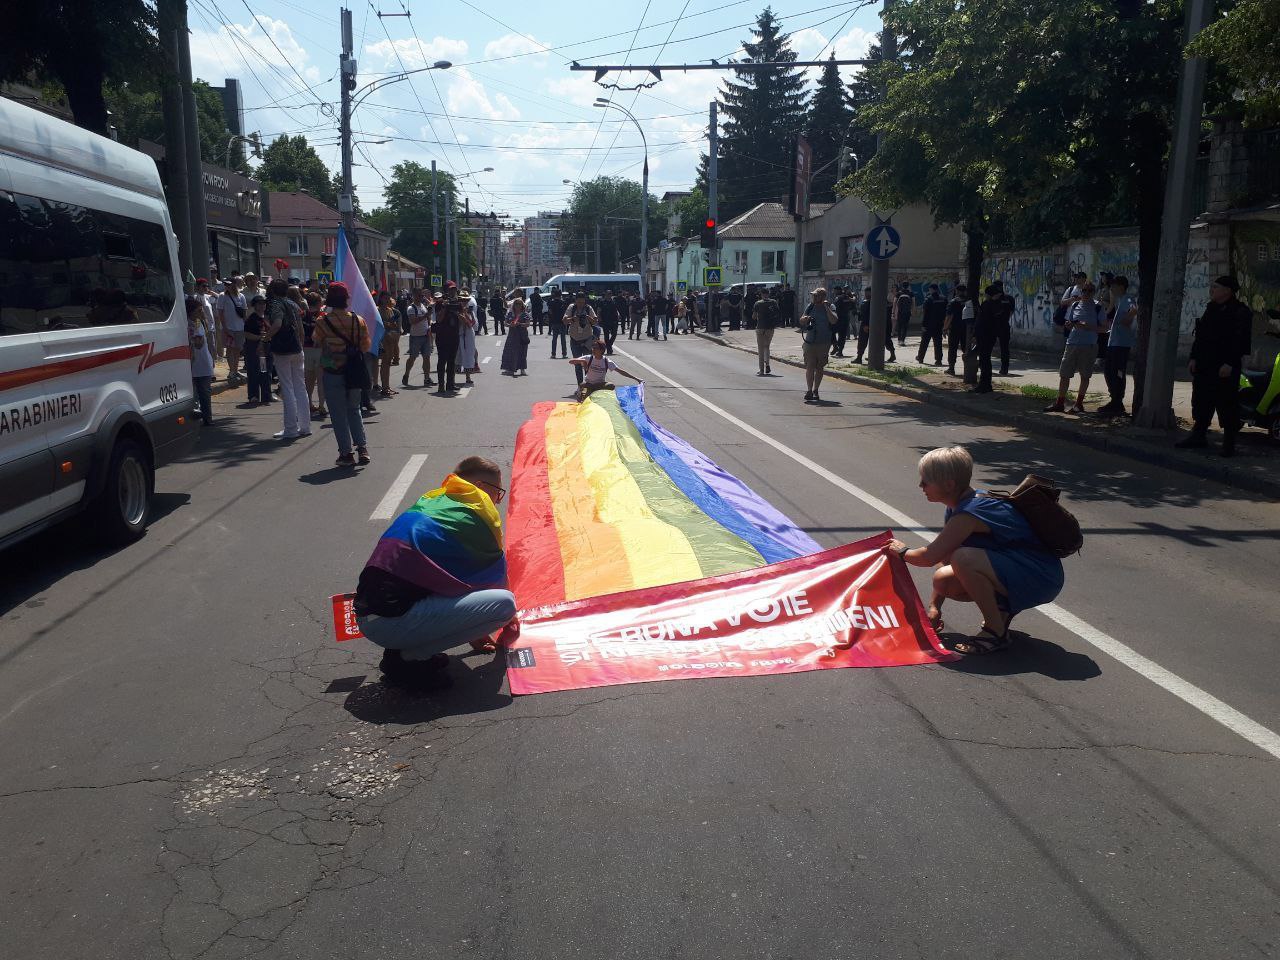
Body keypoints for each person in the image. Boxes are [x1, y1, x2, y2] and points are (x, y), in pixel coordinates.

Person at [355, 456, 517, 692]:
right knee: (505, 605)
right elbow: (498, 582)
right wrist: (493, 621)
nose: (497, 502)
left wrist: (469, 620)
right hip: (388, 621)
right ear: (481, 487)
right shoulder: (476, 513)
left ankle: (405, 648)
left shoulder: (435, 501)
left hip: (372, 612)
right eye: (498, 493)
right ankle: (408, 658)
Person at [883, 445, 1064, 656]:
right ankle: (1002, 612)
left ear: (949, 485)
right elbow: (944, 558)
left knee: (964, 559)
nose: (920, 485)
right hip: (1026, 571)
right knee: (945, 579)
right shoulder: (959, 506)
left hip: (1041, 578)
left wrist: (903, 551)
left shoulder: (969, 513)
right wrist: (934, 607)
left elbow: (929, 557)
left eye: (926, 481)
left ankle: (996, 632)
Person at [1175, 275, 1254, 456]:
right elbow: (1200, 335)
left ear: (1227, 290)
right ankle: (1199, 435)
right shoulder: (1211, 308)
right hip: (1205, 364)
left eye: (1216, 287)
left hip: (1224, 367)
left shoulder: (1239, 311)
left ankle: (1228, 443)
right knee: (1202, 400)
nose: (1212, 290)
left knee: (1226, 403)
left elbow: (1240, 341)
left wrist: (1230, 363)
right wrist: (1193, 358)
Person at [313, 282, 372, 467]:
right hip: (354, 371)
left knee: (338, 414)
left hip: (333, 372)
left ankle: (346, 453)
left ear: (329, 300)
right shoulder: (358, 320)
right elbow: (365, 346)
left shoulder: (322, 322)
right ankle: (362, 449)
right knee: (354, 409)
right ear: (346, 299)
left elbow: (316, 343)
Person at [1044, 280, 1105, 414]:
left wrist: (1088, 327)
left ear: (1094, 292)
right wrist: (1069, 324)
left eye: (1090, 291)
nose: (1087, 293)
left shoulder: (1098, 307)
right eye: (1085, 290)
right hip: (1072, 343)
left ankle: (1079, 404)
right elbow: (1070, 322)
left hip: (1088, 345)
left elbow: (1105, 328)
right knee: (1064, 374)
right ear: (1081, 291)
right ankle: (1060, 402)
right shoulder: (1076, 304)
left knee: (1085, 375)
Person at [266, 278, 310, 439]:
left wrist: (265, 338)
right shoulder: (293, 304)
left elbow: (277, 324)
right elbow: (300, 329)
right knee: (300, 387)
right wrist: (300, 345)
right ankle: (305, 426)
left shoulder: (275, 304)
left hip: (283, 350)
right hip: (297, 348)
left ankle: (291, 429)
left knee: (287, 387)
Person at [1098, 275, 1137, 416]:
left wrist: (1126, 320)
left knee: (1117, 372)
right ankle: (1115, 399)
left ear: (1121, 286)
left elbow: (1133, 312)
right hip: (1115, 342)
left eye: (1113, 286)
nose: (1111, 288)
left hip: (1121, 344)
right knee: (1109, 371)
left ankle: (1117, 401)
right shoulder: (1120, 300)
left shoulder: (1127, 299)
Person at [972, 282, 1014, 393]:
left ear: (989, 294)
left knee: (984, 360)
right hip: (993, 334)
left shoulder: (988, 304)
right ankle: (987, 384)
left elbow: (981, 321)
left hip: (985, 335)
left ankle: (984, 385)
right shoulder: (1002, 303)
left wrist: (975, 335)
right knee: (987, 359)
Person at [570, 339, 644, 401]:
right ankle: (581, 392)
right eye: (593, 347)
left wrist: (637, 379)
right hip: (589, 384)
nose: (593, 349)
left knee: (611, 385)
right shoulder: (588, 358)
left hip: (600, 385)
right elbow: (571, 361)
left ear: (602, 350)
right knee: (584, 400)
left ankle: (606, 399)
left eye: (596, 348)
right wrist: (582, 361)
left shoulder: (606, 361)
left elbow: (621, 371)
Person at [799, 287, 836, 403]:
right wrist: (805, 319)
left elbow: (834, 320)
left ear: (823, 297)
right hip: (810, 341)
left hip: (824, 342)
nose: (814, 298)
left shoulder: (830, 306)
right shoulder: (810, 306)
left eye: (816, 296)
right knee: (809, 366)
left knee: (819, 367)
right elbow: (801, 320)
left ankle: (816, 389)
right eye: (813, 296)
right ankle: (809, 390)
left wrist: (826, 308)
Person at [187, 296, 215, 426]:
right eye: (199, 310)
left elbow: (202, 343)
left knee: (205, 393)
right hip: (192, 364)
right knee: (194, 394)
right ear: (191, 312)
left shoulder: (199, 323)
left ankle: (207, 418)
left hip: (204, 363)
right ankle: (195, 422)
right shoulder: (187, 325)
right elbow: (198, 344)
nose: (202, 312)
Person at [401, 288, 435, 388]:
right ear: (414, 296)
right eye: (419, 296)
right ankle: (406, 374)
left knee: (427, 357)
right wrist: (426, 315)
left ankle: (427, 378)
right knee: (412, 357)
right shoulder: (411, 308)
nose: (421, 297)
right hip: (416, 337)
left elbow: (427, 318)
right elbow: (413, 321)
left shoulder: (423, 306)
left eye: (422, 296)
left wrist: (429, 323)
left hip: (425, 335)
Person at [432, 282, 463, 393]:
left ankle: (450, 384)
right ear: (446, 290)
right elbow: (439, 319)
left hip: (454, 335)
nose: (453, 291)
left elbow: (461, 317)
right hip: (442, 336)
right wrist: (445, 306)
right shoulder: (440, 303)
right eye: (451, 289)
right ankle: (441, 385)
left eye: (454, 289)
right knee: (442, 360)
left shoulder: (457, 302)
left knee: (452, 361)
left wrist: (461, 309)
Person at [566, 292, 601, 387]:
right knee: (577, 364)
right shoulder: (571, 308)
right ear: (575, 301)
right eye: (578, 302)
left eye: (582, 302)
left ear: (585, 301)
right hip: (575, 339)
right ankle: (580, 386)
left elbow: (595, 321)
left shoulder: (588, 308)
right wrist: (574, 319)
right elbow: (564, 320)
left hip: (587, 339)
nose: (580, 304)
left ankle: (588, 384)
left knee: (588, 363)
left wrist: (587, 317)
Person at [302, 291, 327, 420]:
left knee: (309, 379)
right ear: (318, 303)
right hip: (320, 349)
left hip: (306, 349)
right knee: (321, 379)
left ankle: (309, 403)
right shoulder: (323, 316)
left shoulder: (302, 315)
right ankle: (322, 405)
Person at [243, 294, 273, 405]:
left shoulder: (267, 317)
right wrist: (260, 337)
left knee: (265, 372)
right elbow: (246, 334)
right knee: (254, 372)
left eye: (264, 303)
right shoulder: (251, 319)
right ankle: (253, 395)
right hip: (254, 348)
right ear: (255, 305)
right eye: (259, 303)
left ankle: (267, 395)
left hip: (266, 348)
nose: (262, 305)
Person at [853, 286, 896, 363]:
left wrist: (866, 324)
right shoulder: (869, 301)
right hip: (871, 324)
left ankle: (891, 354)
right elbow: (863, 314)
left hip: (873, 324)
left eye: (867, 293)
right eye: (866, 293)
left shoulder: (875, 302)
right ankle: (861, 357)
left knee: (881, 340)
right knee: (865, 341)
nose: (866, 294)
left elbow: (871, 314)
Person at [216, 276, 247, 382]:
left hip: (239, 327)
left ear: (234, 284)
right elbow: (220, 313)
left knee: (237, 349)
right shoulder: (222, 296)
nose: (227, 286)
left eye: (229, 284)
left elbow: (244, 312)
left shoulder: (241, 296)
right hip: (228, 327)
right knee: (230, 349)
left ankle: (235, 370)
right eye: (226, 284)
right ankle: (232, 371)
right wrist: (225, 328)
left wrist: (245, 325)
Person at [375, 290, 402, 400]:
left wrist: (391, 325)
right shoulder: (377, 310)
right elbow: (378, 324)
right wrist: (387, 324)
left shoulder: (390, 310)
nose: (387, 300)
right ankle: (384, 388)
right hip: (381, 340)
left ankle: (387, 386)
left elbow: (393, 325)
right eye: (385, 298)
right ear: (380, 298)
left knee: (388, 363)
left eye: (388, 298)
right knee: (384, 363)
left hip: (390, 339)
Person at [752, 286, 781, 376]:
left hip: (760, 327)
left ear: (761, 294)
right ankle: (767, 364)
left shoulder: (758, 303)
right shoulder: (774, 302)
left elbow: (754, 317)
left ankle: (761, 370)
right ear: (768, 294)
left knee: (760, 349)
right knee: (767, 347)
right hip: (770, 328)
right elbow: (778, 313)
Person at [917, 283, 947, 366]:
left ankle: (920, 357)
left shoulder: (928, 299)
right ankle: (938, 360)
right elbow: (946, 312)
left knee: (924, 342)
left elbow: (925, 314)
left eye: (929, 289)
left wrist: (923, 325)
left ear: (931, 289)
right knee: (938, 343)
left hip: (929, 325)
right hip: (939, 324)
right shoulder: (944, 299)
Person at [500, 297, 530, 376]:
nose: (518, 306)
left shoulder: (525, 314)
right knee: (511, 352)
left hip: (522, 335)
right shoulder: (510, 313)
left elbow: (528, 324)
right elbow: (505, 323)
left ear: (522, 305)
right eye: (516, 304)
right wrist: (511, 325)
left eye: (519, 304)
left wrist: (520, 324)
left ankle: (522, 369)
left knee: (523, 352)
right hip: (512, 335)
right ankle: (510, 369)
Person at [945, 284, 969, 375]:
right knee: (966, 348)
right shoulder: (970, 301)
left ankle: (951, 368)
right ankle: (968, 368)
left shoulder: (953, 302)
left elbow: (949, 316)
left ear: (957, 291)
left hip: (955, 328)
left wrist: (945, 328)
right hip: (966, 328)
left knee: (952, 348)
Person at [456, 289, 479, 387]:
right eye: (462, 299)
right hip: (459, 335)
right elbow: (459, 323)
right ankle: (452, 377)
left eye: (466, 300)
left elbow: (473, 324)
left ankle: (468, 377)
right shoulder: (457, 311)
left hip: (469, 335)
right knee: (457, 355)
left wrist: (467, 314)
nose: (464, 302)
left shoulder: (470, 311)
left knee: (469, 354)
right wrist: (463, 314)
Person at [832, 286, 855, 357]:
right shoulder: (849, 298)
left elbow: (835, 308)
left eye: (835, 290)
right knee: (842, 336)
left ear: (838, 290)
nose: (834, 292)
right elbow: (852, 306)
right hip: (846, 318)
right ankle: (840, 351)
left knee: (831, 332)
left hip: (838, 318)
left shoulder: (838, 298)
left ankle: (835, 347)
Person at [547, 289, 568, 357]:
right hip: (562, 322)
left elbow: (549, 312)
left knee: (554, 339)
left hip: (554, 322)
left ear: (554, 295)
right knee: (563, 339)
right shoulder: (563, 302)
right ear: (560, 295)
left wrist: (552, 317)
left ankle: (553, 354)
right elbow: (566, 313)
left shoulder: (551, 303)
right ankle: (564, 354)